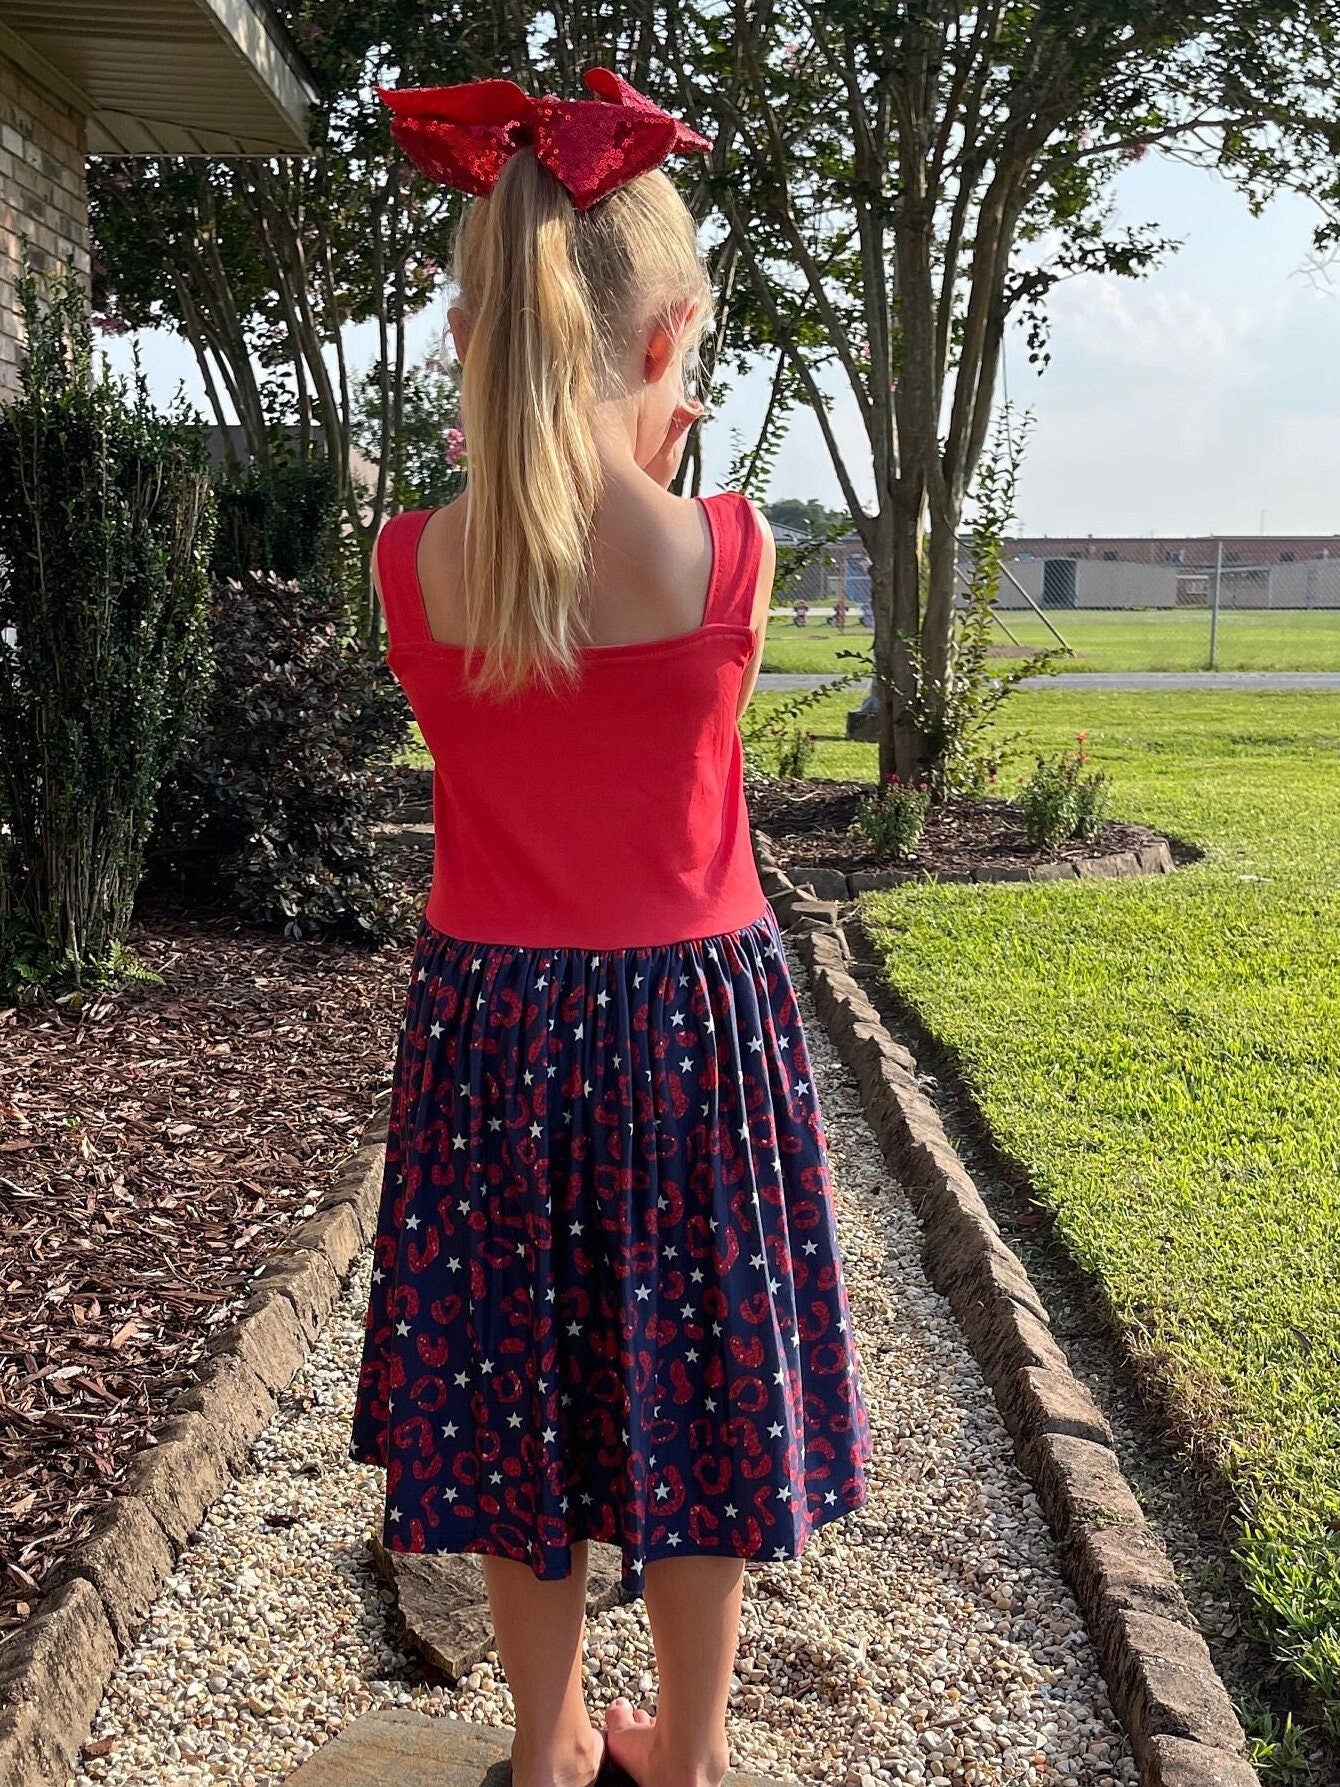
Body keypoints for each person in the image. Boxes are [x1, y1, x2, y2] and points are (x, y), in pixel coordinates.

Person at [349, 67, 873, 1787]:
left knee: (509, 1390)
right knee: (699, 1382)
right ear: (673, 346)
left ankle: (553, 1741)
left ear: (474, 333)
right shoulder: (728, 552)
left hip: (494, 1031)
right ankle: (692, 1749)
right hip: (689, 1032)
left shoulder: (411, 563)